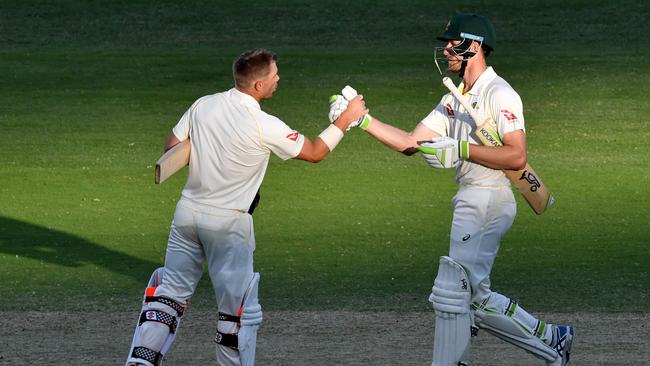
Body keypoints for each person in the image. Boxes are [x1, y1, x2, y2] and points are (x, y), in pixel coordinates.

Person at [331, 13, 574, 366]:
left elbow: (517, 154)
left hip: (489, 198)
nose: (446, 49)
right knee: (472, 297)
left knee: (452, 293)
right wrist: (362, 121)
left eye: (452, 42)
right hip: (470, 197)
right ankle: (553, 341)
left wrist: (459, 149)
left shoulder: (500, 93)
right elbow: (411, 143)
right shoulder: (455, 97)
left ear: (473, 46)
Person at [125, 48, 368, 366]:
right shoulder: (263, 123)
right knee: (235, 314)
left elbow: (172, 147)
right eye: (274, 76)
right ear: (257, 86)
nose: (278, 79)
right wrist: (346, 120)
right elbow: (314, 151)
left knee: (168, 296)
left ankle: (140, 362)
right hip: (229, 225)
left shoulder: (204, 104)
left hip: (187, 215)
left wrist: (212, 151)